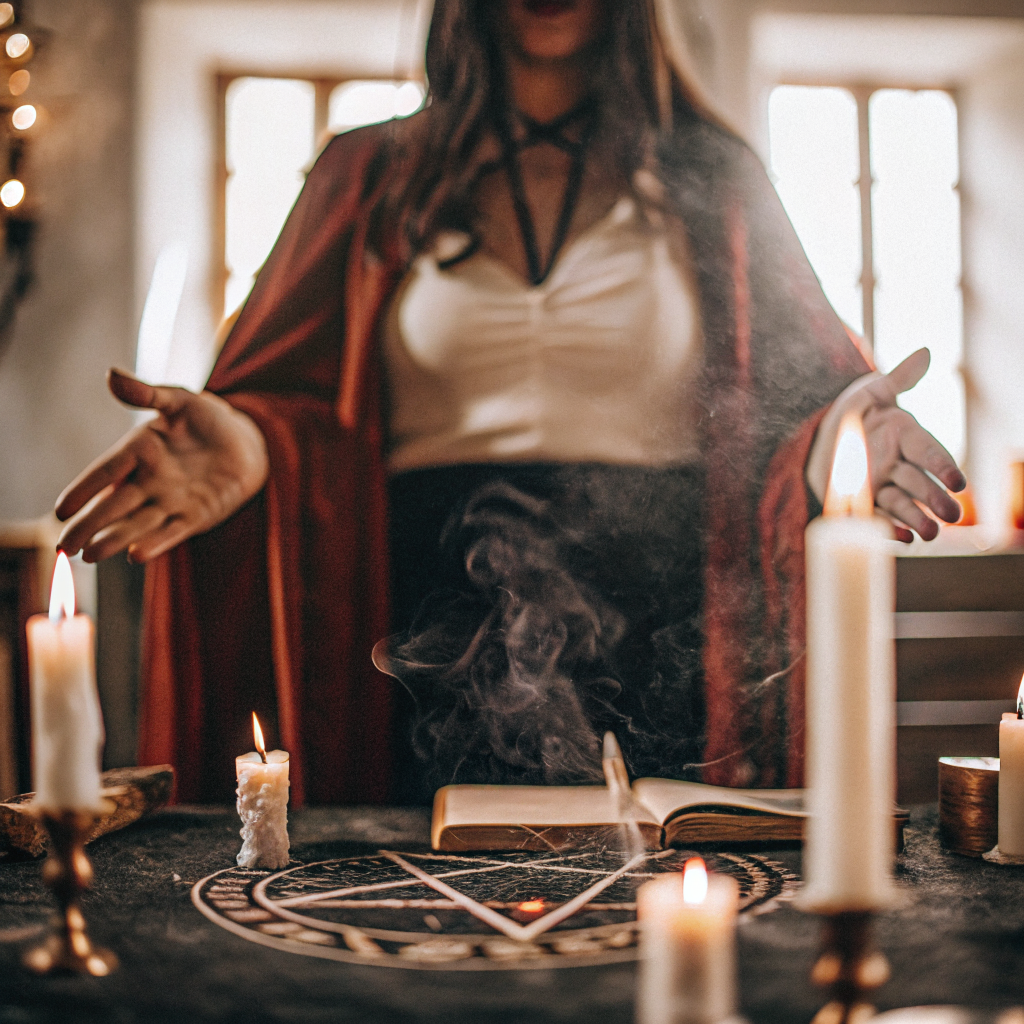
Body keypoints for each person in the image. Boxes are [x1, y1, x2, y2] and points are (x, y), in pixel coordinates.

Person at [55, 0, 965, 805]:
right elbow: (292, 393)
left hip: (658, 633)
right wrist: (255, 445)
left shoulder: (714, 179)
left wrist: (836, 450)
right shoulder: (366, 175)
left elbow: (790, 401)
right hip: (420, 638)